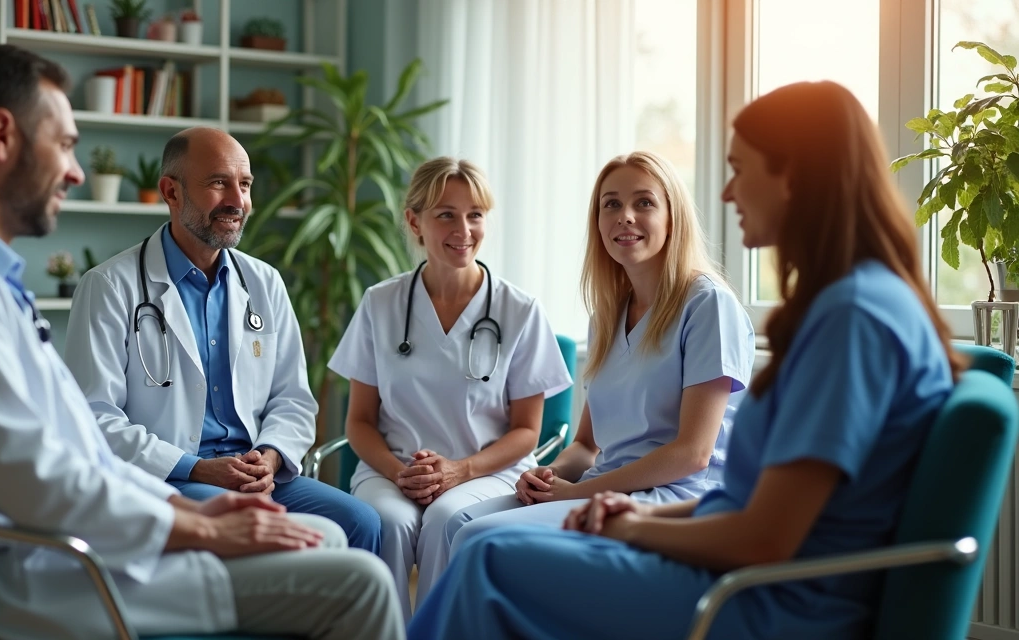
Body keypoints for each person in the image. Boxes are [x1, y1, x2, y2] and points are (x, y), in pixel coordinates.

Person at [0, 44, 402, 640]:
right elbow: (36, 471)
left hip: (67, 549)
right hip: (50, 572)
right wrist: (201, 521)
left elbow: (69, 446)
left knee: (337, 534)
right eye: (64, 144)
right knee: (355, 578)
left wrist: (195, 512)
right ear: (2, 135)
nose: (78, 171)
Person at [406, 80, 965, 640]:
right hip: (747, 561)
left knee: (488, 557)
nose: (726, 194)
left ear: (792, 176)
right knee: (486, 544)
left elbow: (762, 535)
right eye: (612, 205)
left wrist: (633, 526)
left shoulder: (851, 319)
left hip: (767, 597)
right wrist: (627, 513)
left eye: (740, 170)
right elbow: (745, 505)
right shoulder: (854, 303)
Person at [63, 126, 381, 554]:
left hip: (255, 473)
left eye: (245, 184)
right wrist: (198, 469)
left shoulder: (264, 282)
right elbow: (95, 418)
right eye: (218, 183)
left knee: (362, 522)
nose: (238, 201)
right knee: (274, 535)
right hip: (170, 478)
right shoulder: (108, 287)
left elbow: (293, 399)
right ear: (171, 192)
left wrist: (269, 457)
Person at [442, 150, 754, 557]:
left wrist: (578, 492)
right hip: (602, 487)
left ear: (672, 217)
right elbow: (587, 446)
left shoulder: (706, 304)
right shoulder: (608, 316)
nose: (625, 215)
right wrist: (546, 476)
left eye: (644, 202)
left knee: (477, 539)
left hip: (670, 499)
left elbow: (692, 454)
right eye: (612, 204)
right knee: (459, 521)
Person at [326, 157, 574, 620]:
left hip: (486, 472)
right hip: (390, 471)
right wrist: (401, 473)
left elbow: (527, 431)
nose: (464, 229)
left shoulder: (519, 310)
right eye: (446, 214)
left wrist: (460, 471)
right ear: (414, 221)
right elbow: (358, 422)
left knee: (446, 519)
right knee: (390, 521)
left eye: (475, 214)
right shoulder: (381, 303)